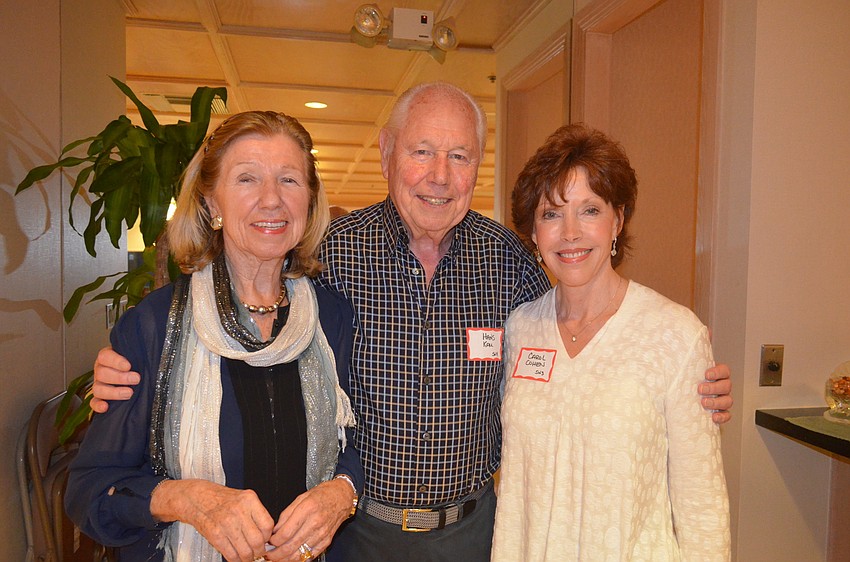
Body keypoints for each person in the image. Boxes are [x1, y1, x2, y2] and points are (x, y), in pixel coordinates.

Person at [88, 83, 733, 561]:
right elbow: (228, 308)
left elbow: (584, 317)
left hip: (477, 532)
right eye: (422, 151)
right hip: (356, 531)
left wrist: (680, 374)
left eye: (459, 155)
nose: (438, 176)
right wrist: (134, 360)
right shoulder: (331, 255)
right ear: (388, 151)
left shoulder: (512, 262)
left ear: (478, 165)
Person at [65, 111, 362, 562]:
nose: (271, 200)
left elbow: (360, 442)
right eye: (247, 179)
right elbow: (88, 492)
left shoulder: (333, 320)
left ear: (309, 200)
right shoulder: (153, 326)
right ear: (211, 202)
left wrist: (343, 492)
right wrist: (189, 500)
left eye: (289, 180)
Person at [491, 124, 730, 561]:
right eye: (550, 214)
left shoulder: (675, 335)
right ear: (533, 233)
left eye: (589, 210)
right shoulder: (521, 328)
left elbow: (702, 509)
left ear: (618, 219)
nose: (570, 233)